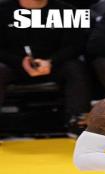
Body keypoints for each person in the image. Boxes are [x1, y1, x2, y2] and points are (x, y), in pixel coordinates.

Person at [0, 0, 92, 135]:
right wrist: (20, 62)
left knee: (75, 67)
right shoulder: (3, 10)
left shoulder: (69, 10)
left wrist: (51, 61)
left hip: (55, 65)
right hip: (13, 66)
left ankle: (78, 122)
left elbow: (77, 45)